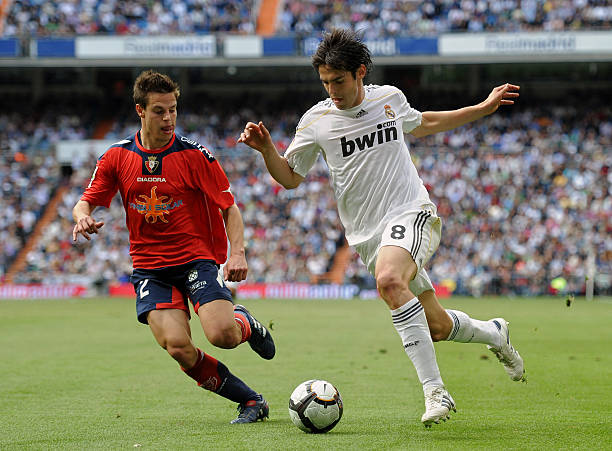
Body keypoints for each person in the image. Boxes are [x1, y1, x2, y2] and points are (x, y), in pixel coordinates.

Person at [238, 29, 525, 427]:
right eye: (325, 82)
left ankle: (434, 390)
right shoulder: (316, 121)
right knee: (437, 326)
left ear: (361, 72)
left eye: (338, 81)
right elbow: (289, 179)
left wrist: (481, 107)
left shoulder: (388, 98)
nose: (332, 90)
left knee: (390, 281)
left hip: (411, 212)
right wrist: (268, 149)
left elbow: (422, 123)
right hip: (368, 237)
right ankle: (494, 333)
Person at [72, 70, 275, 424]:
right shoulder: (116, 157)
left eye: (173, 110)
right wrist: (82, 217)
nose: (168, 118)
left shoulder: (194, 156)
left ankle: (243, 321)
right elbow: (85, 201)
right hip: (150, 267)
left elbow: (230, 207)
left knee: (222, 336)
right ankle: (250, 401)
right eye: (159, 111)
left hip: (195, 259)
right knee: (179, 349)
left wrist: (237, 253)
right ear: (140, 110)